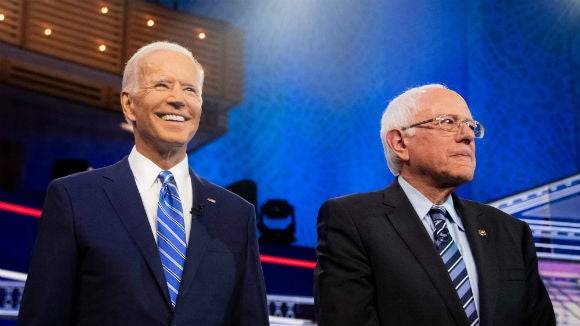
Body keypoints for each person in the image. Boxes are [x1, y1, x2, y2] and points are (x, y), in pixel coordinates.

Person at [19, 41, 269, 325]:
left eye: (190, 90)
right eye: (162, 85)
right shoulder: (74, 199)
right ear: (129, 104)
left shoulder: (236, 215)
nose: (179, 99)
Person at [315, 84, 555, 326]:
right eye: (448, 122)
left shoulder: (510, 231)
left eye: (471, 126)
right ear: (399, 142)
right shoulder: (353, 221)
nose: (468, 136)